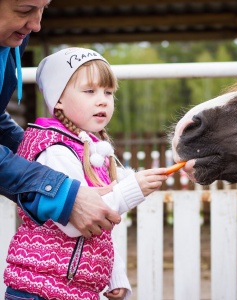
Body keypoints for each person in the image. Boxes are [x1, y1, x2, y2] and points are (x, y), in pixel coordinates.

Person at [4, 47, 168, 299]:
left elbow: (100, 230)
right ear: (58, 99)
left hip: (71, 289)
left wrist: (115, 276)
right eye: (89, 91)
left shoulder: (87, 147)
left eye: (108, 92)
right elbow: (75, 222)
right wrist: (131, 189)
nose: (102, 99)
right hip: (41, 290)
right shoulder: (56, 150)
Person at [0, 0, 122, 238]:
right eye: (24, 10)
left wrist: (35, 150)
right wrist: (58, 190)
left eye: (43, 9)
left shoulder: (13, 36)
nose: (36, 25)